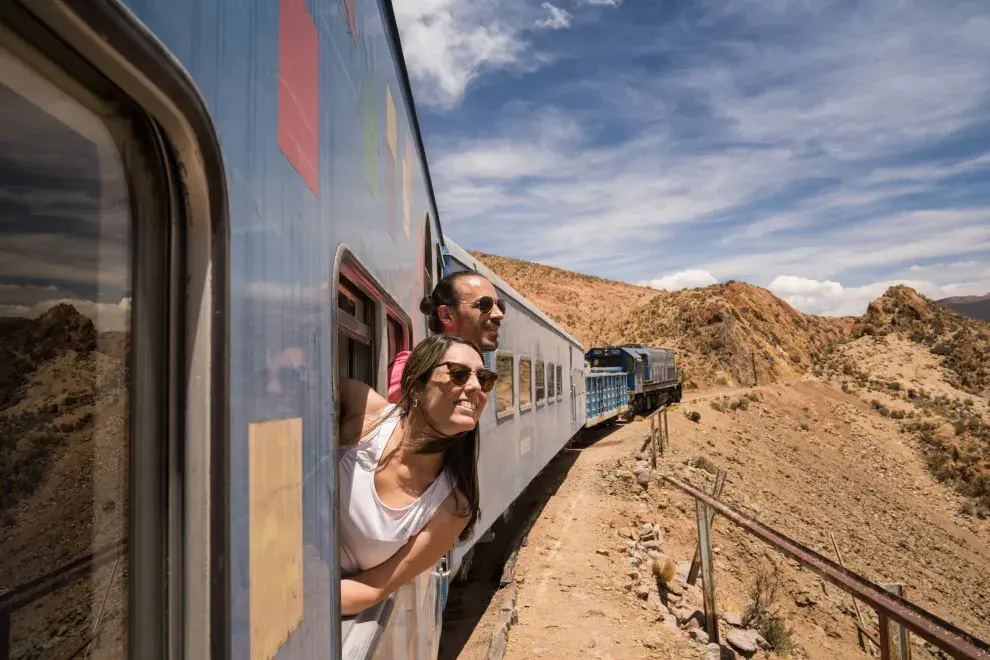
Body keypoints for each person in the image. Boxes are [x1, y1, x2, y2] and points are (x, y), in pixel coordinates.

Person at [337, 333, 498, 616]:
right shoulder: (358, 410)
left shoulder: (453, 508)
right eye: (458, 374)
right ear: (416, 386)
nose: (475, 387)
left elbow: (372, 589)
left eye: (484, 379)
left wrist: (293, 601)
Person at [388, 271, 505, 403]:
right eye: (484, 305)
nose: (499, 314)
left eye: (500, 306)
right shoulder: (410, 370)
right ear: (446, 315)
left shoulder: (474, 375)